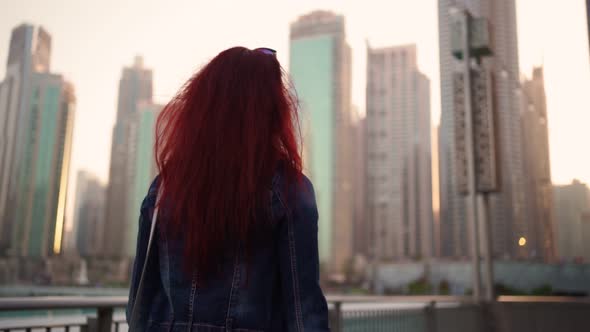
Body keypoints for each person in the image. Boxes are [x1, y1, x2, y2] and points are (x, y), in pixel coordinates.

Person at [126, 47, 330, 331]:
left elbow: (138, 303)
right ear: (271, 113)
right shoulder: (288, 191)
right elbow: (304, 313)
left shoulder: (165, 188)